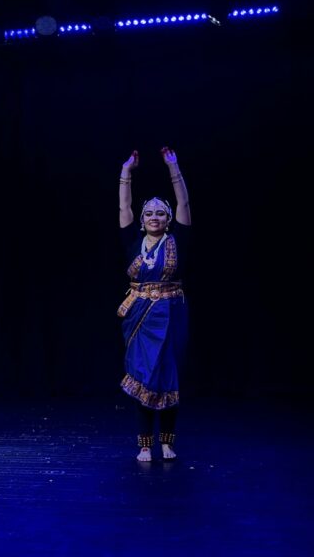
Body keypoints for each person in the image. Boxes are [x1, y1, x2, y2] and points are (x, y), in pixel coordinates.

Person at [117, 147, 192, 462]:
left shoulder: (177, 241)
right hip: (139, 317)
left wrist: (174, 168)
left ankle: (167, 442)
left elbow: (185, 202)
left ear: (169, 218)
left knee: (166, 375)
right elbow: (123, 205)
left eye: (160, 213)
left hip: (171, 314)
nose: (154, 217)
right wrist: (126, 173)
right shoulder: (132, 242)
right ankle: (145, 444)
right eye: (149, 213)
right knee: (143, 376)